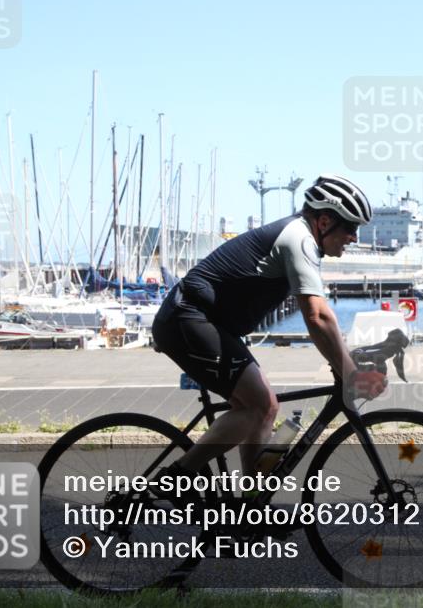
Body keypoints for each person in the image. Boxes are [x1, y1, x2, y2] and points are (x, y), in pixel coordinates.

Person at [150, 174, 387, 500]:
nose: (354, 236)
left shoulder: (303, 238)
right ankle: (177, 478)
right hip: (186, 318)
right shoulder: (298, 239)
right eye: (349, 228)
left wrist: (342, 363)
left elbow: (321, 320)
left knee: (266, 408)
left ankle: (251, 505)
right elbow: (317, 317)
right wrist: (351, 374)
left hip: (204, 321)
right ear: (324, 220)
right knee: (259, 406)